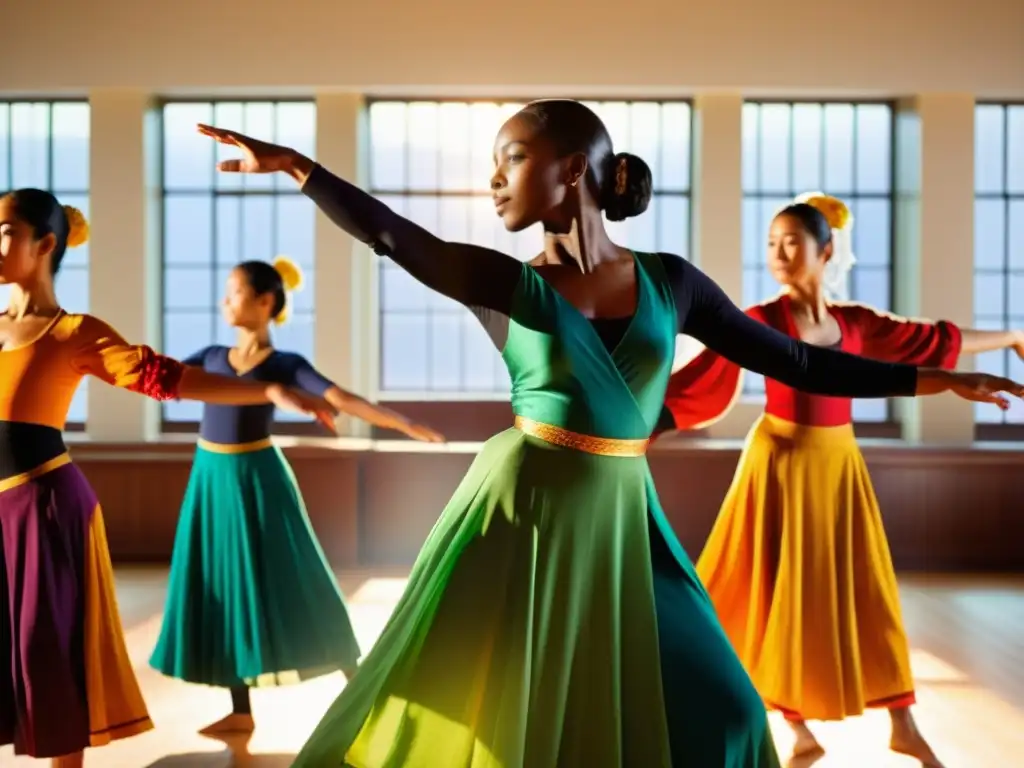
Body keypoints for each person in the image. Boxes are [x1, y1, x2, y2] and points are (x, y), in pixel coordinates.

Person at [195, 102, 1022, 768]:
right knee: (495, 708)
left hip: (628, 521)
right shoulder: (504, 280)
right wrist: (302, 170)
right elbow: (392, 237)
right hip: (521, 514)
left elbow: (798, 361)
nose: (492, 179)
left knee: (729, 707)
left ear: (573, 170)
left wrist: (934, 377)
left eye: (510, 157)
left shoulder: (673, 282)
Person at [655, 193, 1024, 768]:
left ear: (826, 251)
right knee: (767, 592)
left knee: (865, 590)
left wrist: (1009, 339)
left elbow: (932, 341)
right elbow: (701, 377)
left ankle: (902, 722)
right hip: (777, 466)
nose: (779, 253)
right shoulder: (759, 320)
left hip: (838, 466)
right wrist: (633, 420)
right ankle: (794, 727)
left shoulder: (855, 323)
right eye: (772, 243)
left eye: (792, 242)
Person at [0, 189, 336, 767]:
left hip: (45, 507)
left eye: (4, 229)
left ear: (45, 244)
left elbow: (163, 378)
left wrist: (266, 389)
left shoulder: (73, 332)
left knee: (45, 649)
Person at [150, 256, 444, 736]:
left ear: (266, 302)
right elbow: (159, 380)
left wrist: (401, 422)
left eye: (235, 291)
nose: (225, 300)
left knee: (297, 579)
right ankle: (240, 710)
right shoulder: (208, 356)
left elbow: (339, 398)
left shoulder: (286, 366)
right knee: (223, 586)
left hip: (259, 477)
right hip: (210, 477)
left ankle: (360, 684)